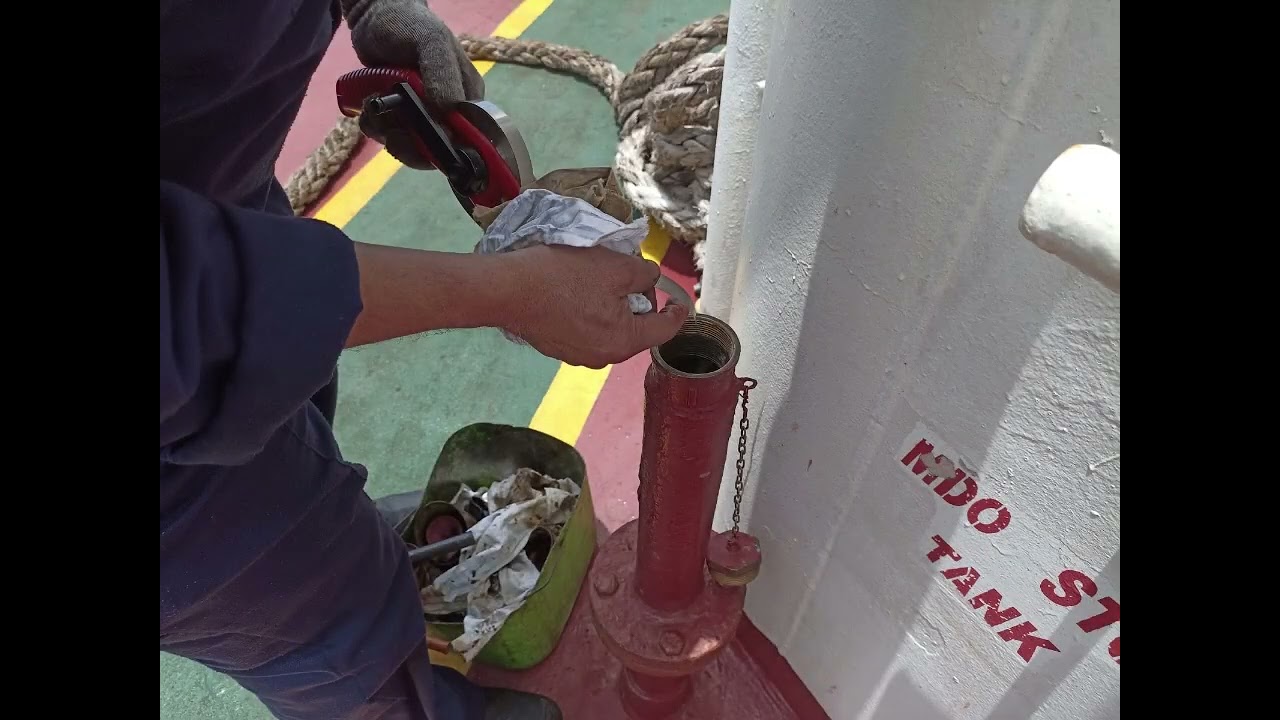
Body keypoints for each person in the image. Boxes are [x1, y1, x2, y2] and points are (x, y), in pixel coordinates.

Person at [159, 0, 687, 718]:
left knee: (295, 402)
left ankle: (325, 511)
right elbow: (184, 307)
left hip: (226, 218)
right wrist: (511, 292)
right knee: (328, 628)